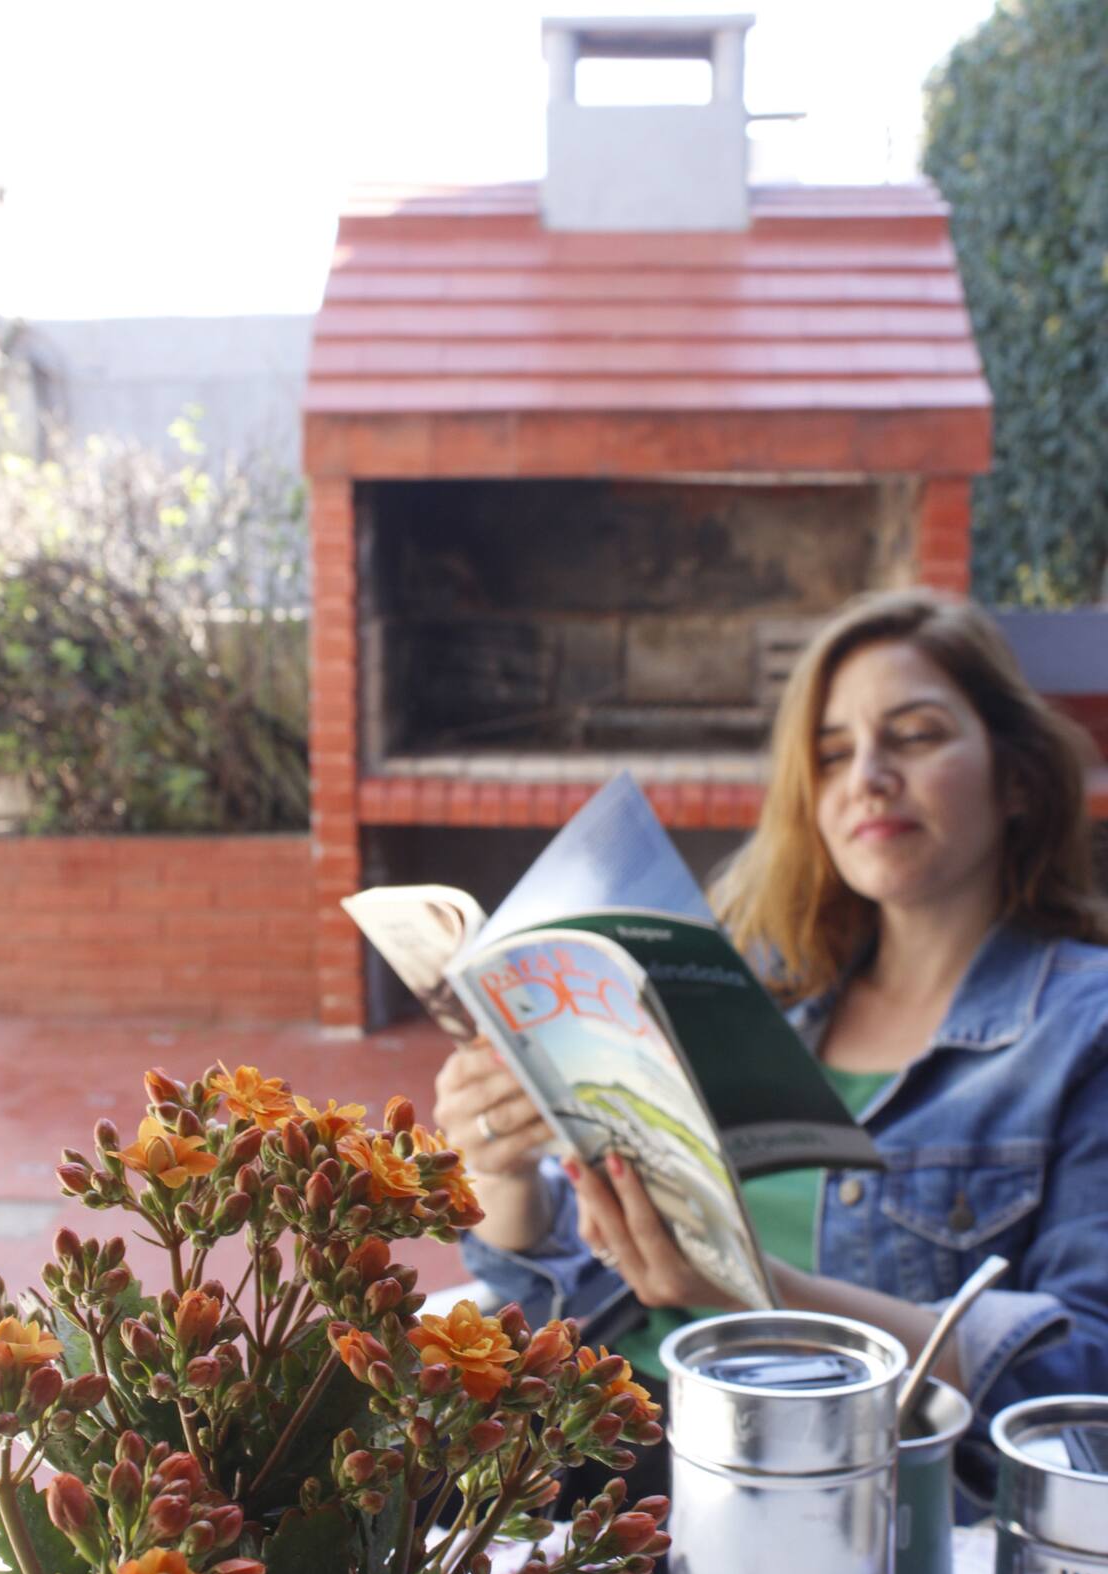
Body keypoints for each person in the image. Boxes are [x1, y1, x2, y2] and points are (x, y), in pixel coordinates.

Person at [434, 589, 1108, 1507]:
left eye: (914, 735)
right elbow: (569, 1283)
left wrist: (762, 1293)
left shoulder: (1083, 1027)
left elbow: (1081, 1387)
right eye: (831, 755)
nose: (868, 776)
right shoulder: (765, 993)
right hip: (591, 1426)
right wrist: (504, 1173)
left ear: (1016, 777)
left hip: (803, 1491)